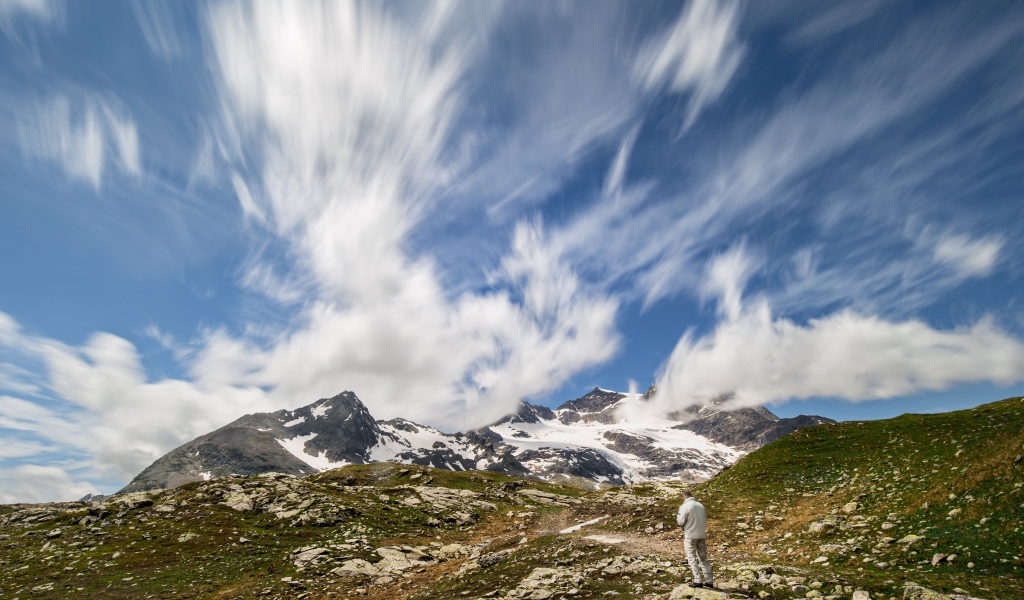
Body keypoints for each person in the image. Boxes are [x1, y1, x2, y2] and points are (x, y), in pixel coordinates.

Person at [677, 490, 714, 588]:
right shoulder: (701, 506)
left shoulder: (684, 507)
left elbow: (680, 522)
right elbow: (705, 519)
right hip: (701, 535)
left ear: (684, 497)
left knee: (691, 556)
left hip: (690, 535)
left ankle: (698, 580)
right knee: (703, 557)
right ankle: (709, 581)